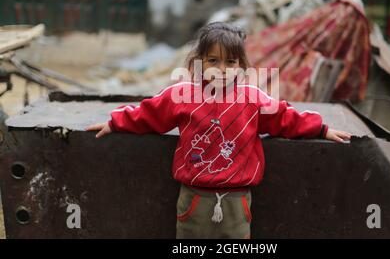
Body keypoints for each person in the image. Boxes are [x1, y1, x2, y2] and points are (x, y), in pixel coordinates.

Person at [86, 22, 351, 238]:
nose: (222, 70)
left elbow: (285, 117)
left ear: (241, 66)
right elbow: (150, 113)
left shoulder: (252, 98)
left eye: (230, 62)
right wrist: (115, 122)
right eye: (213, 60)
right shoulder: (183, 94)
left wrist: (320, 129)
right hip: (193, 199)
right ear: (199, 61)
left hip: (237, 202)